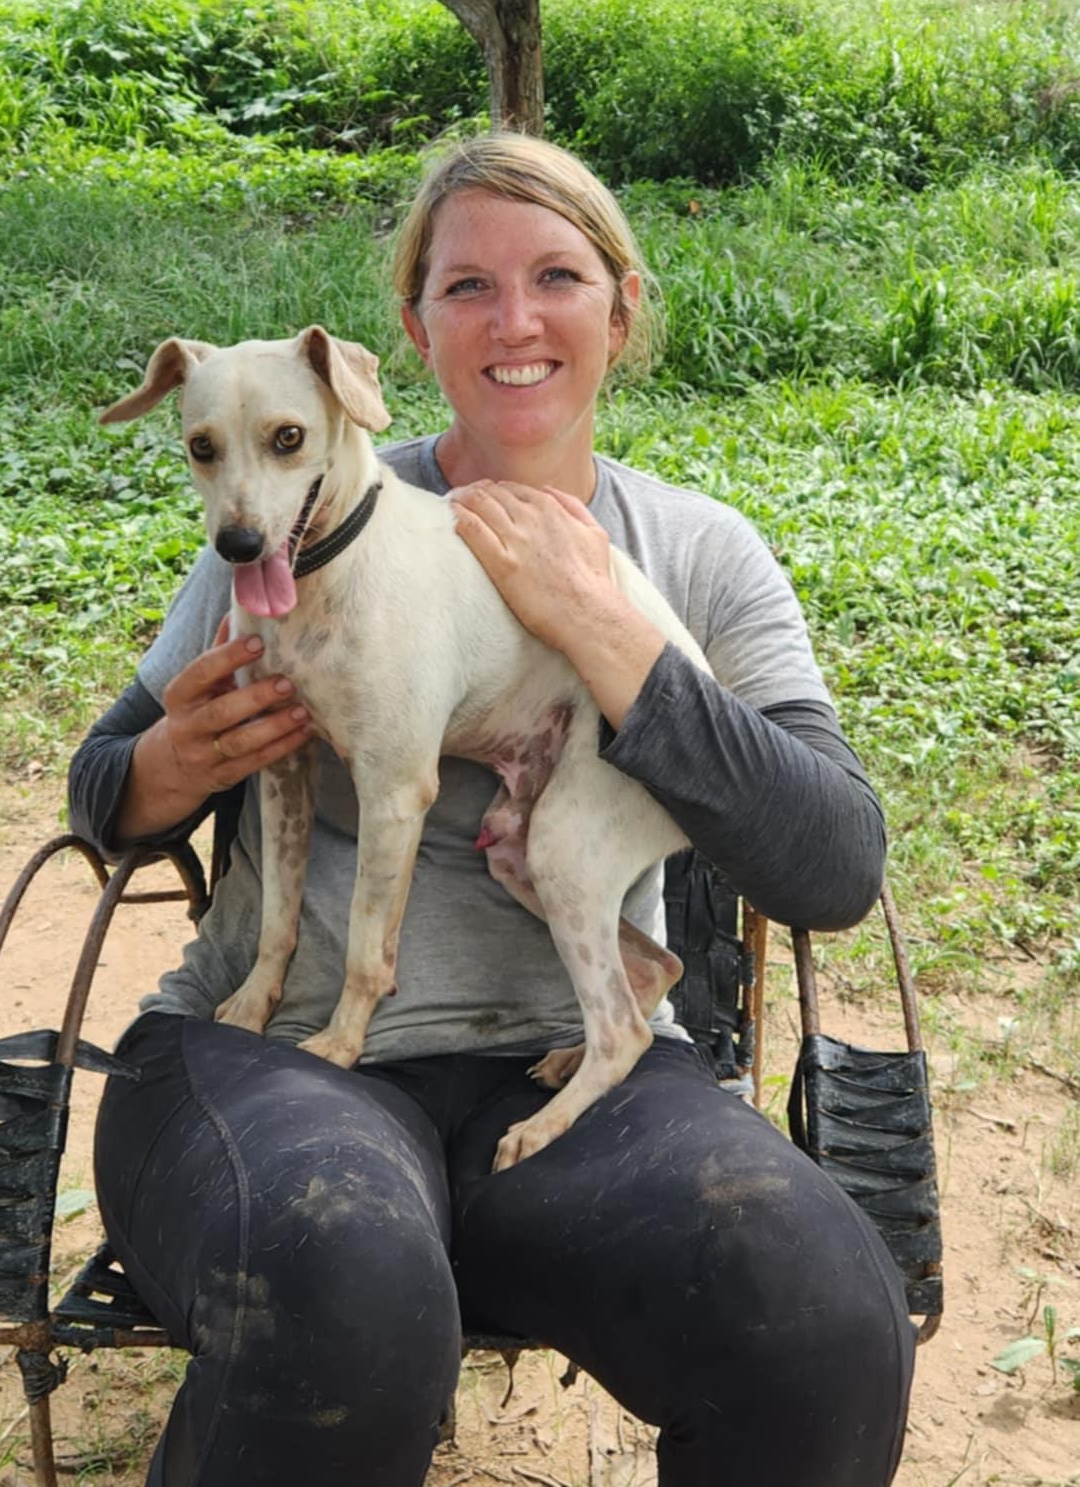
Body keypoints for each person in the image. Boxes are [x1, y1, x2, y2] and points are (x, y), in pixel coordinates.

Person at [69, 135, 915, 1487]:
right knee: (340, 1279)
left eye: (558, 278)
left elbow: (831, 861)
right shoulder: (283, 521)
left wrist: (612, 640)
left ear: (624, 308)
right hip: (275, 1066)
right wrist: (173, 764)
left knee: (822, 1320)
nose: (515, 321)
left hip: (564, 1075)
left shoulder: (696, 553)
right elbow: (99, 798)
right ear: (405, 333)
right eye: (467, 287)